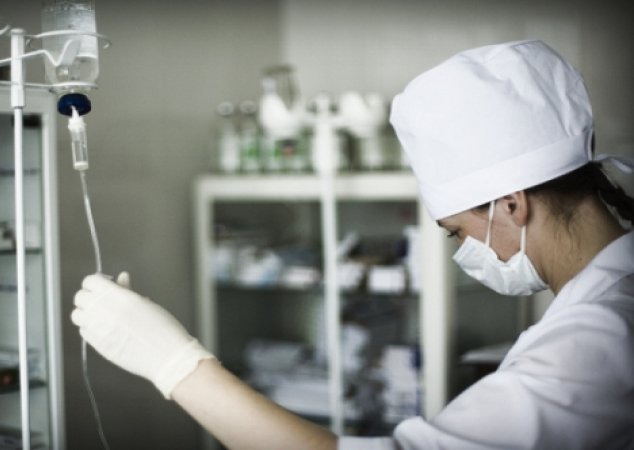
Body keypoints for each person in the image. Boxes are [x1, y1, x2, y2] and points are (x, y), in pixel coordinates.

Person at [72, 40, 634, 449]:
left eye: (457, 231)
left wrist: (175, 364)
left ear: (512, 205)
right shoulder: (606, 302)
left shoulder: (597, 338)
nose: (462, 250)